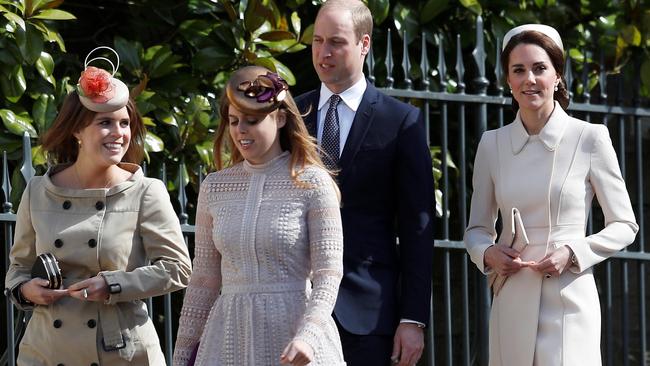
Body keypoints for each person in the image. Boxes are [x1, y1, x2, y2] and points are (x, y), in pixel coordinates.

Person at [4, 46, 192, 365]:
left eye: (125, 124)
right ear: (77, 129)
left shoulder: (146, 191)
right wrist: (26, 290)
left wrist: (114, 283)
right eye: (105, 123)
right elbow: (18, 268)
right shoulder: (38, 190)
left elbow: (178, 269)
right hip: (46, 351)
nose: (119, 134)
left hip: (120, 352)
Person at [464, 24, 639, 366]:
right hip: (511, 298)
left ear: (558, 75)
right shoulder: (492, 144)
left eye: (540, 68)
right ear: (508, 80)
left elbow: (625, 224)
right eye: (519, 70)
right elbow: (476, 229)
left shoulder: (589, 138)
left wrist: (573, 251)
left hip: (569, 300)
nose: (529, 79)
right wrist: (487, 253)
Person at [172, 65, 345, 366]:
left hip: (295, 337)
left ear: (279, 118)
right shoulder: (215, 187)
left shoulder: (313, 183)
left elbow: (329, 274)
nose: (240, 130)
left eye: (252, 121)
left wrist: (309, 335)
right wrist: (181, 354)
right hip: (227, 340)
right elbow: (203, 280)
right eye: (234, 121)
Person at [294, 1, 435, 365]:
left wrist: (412, 318)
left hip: (367, 314)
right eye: (318, 41)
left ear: (364, 44)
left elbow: (417, 227)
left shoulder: (401, 121)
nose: (324, 53)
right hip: (294, 307)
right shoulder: (291, 116)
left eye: (336, 42)